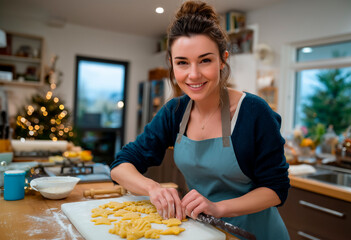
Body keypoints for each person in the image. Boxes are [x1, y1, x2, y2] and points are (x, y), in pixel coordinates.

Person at [110, 1, 290, 239]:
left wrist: (218, 208)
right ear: (172, 65)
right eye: (182, 62)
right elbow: (121, 165)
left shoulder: (254, 111)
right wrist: (153, 189)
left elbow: (276, 189)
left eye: (205, 60)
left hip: (255, 232)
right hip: (205, 231)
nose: (193, 75)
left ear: (222, 60)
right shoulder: (175, 112)